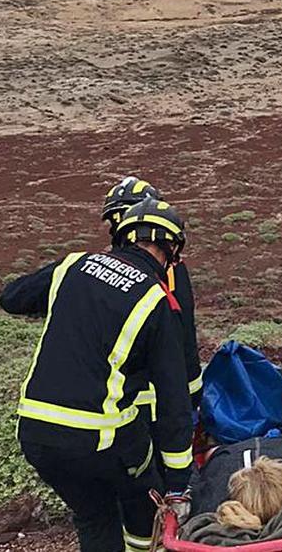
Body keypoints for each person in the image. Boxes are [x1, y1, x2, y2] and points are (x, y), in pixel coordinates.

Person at [1, 198, 195, 552]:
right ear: (169, 249)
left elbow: (12, 298)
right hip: (98, 438)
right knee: (142, 502)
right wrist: (179, 480)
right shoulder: (156, 300)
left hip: (36, 433)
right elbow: (173, 399)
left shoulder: (74, 265)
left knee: (94, 514)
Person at [101, 176, 204, 412]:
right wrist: (193, 389)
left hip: (105, 393)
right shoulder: (170, 270)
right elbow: (184, 331)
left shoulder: (96, 267)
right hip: (151, 394)